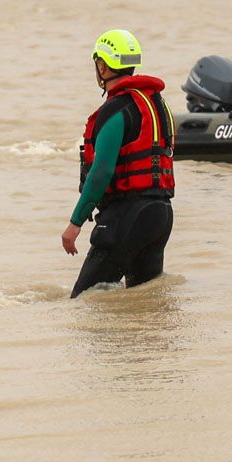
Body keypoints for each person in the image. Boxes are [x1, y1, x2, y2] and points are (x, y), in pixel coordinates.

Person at [61, 29, 176, 297]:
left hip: (127, 215)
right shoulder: (158, 104)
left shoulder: (115, 110)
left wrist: (75, 223)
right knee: (144, 302)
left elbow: (101, 172)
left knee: (84, 301)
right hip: (161, 214)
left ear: (102, 65)